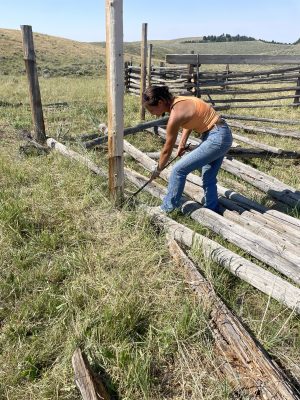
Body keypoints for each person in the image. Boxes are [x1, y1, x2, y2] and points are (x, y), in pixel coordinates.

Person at [142, 85, 233, 213]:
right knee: (208, 176)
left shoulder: (175, 115)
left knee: (178, 170)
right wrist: (182, 144)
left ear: (161, 102)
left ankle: (167, 208)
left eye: (151, 109)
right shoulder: (181, 101)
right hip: (222, 134)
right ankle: (212, 208)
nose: (152, 113)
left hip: (216, 138)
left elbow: (167, 149)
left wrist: (158, 169)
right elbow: (190, 120)